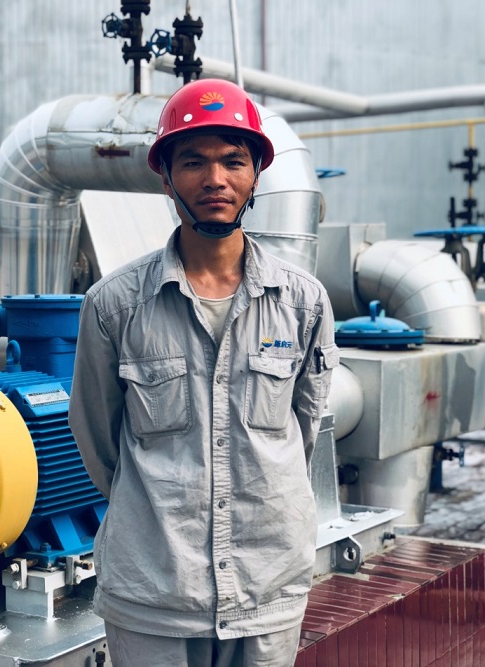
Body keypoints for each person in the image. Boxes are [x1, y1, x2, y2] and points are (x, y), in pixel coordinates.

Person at [68, 78, 338, 666]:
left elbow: (303, 431)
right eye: (193, 161)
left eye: (233, 161)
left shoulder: (303, 303)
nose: (215, 178)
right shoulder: (114, 305)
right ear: (166, 178)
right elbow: (98, 440)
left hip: (266, 586)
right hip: (153, 591)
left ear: (256, 175)